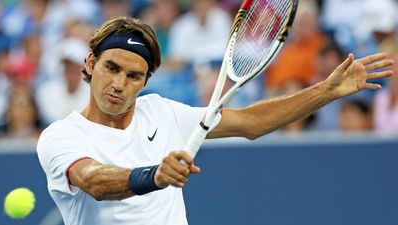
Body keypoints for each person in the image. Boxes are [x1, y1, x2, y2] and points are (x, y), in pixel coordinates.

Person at [36, 17, 394, 225]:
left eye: (133, 76)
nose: (118, 84)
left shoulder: (163, 111)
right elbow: (93, 180)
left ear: (145, 82)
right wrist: (153, 176)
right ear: (89, 64)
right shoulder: (61, 136)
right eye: (111, 68)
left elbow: (250, 123)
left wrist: (326, 91)